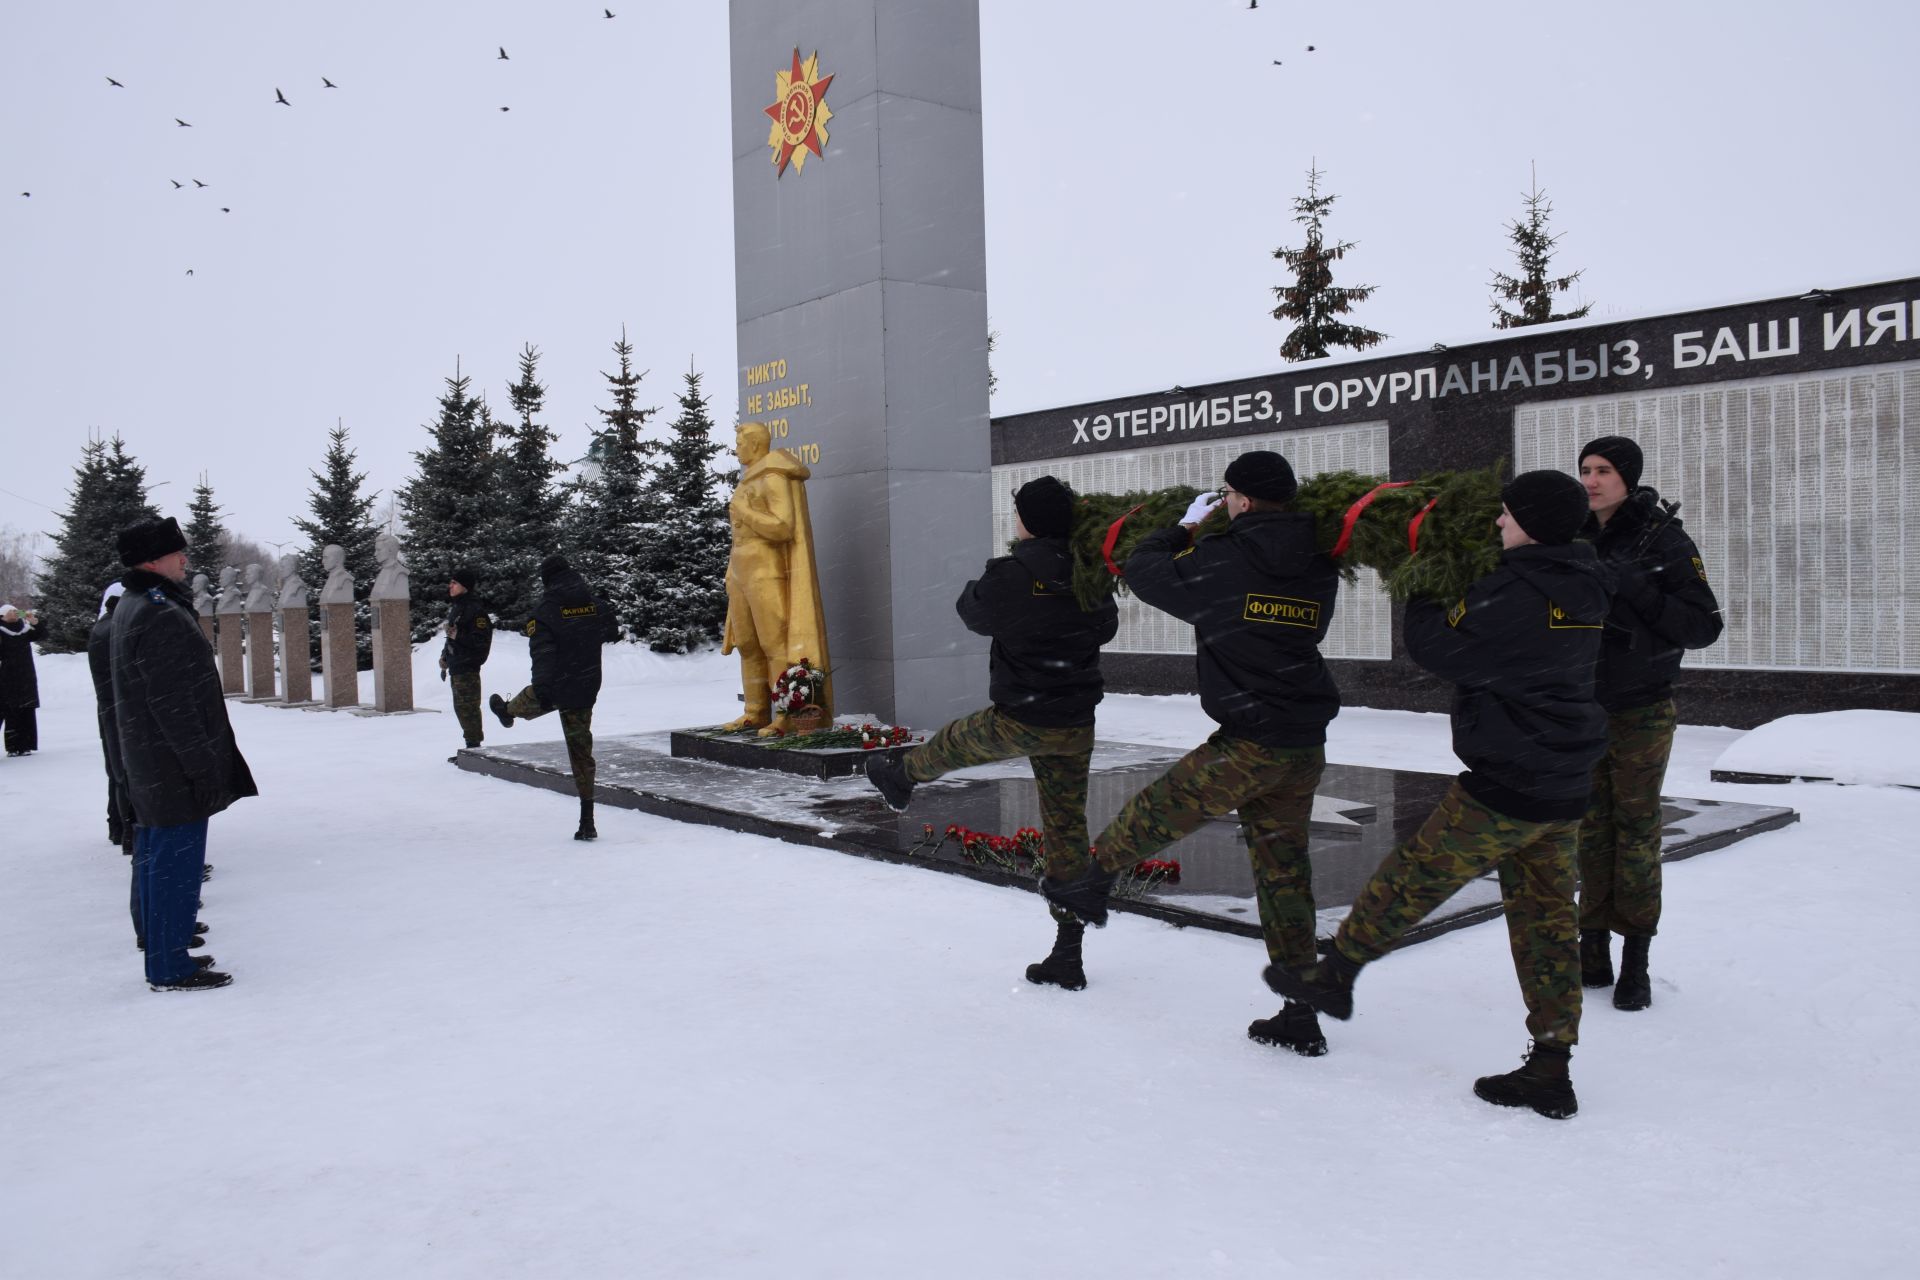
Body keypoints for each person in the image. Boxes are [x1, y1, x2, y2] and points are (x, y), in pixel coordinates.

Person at [1266, 471, 1608, 1119]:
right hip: (1563, 783)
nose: (1499, 524)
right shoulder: (1586, 581)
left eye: (1507, 515)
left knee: (1411, 879)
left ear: (1530, 524)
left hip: (1508, 783)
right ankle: (1551, 1065)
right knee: (1547, 925)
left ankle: (1334, 975)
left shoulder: (1514, 592)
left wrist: (1420, 587)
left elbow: (1440, 649)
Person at [1042, 450, 1344, 1055]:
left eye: (1229, 494)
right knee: (1284, 875)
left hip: (1250, 741)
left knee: (1152, 813)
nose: (1226, 502)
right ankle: (1299, 1011)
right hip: (1302, 741)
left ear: (1243, 500)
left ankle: (1088, 887)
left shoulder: (1223, 559)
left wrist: (1181, 528)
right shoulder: (1319, 562)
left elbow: (1141, 568)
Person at [865, 476, 1119, 990]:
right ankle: (1067, 953)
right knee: (1066, 830)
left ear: (1028, 521)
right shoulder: (1089, 572)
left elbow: (972, 611)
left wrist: (1019, 599)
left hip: (1024, 715)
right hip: (1074, 722)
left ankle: (901, 774)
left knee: (956, 742)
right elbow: (1105, 626)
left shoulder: (1014, 572)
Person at [1574, 436, 1724, 1011]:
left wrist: (1635, 585)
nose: (1591, 480)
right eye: (1585, 470)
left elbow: (1703, 624)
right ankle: (1592, 948)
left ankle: (1635, 956)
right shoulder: (1572, 534)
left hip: (1640, 708)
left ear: (1628, 478)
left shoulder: (1663, 538)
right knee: (1589, 828)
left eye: (1604, 471)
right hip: (1585, 705)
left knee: (1636, 833)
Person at [112, 515, 256, 992]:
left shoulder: (135, 606)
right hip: (171, 764)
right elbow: (174, 703)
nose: (185, 559)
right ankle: (170, 964)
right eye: (177, 553)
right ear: (152, 560)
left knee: (156, 857)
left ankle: (161, 944)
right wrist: (202, 766)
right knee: (175, 863)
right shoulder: (157, 613)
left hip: (150, 760)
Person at [489, 555, 617, 841]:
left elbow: (543, 654)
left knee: (528, 700)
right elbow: (611, 628)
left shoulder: (545, 611)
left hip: (557, 685)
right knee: (581, 751)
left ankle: (508, 712)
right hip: (586, 684)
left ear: (546, 579)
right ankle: (587, 821)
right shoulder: (593, 603)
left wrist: (543, 687)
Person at [718, 420, 829, 734]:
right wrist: (731, 573)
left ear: (754, 444)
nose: (736, 448)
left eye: (740, 443)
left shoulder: (774, 476)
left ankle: (785, 714)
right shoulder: (746, 481)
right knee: (748, 644)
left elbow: (783, 527)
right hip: (741, 571)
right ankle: (755, 711)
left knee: (773, 644)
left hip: (766, 570)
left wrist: (746, 513)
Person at [87, 584, 135, 852]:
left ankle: (118, 827)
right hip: (121, 710)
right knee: (126, 774)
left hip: (112, 709)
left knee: (117, 771)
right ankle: (129, 833)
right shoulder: (115, 629)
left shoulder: (104, 627)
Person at [439, 567, 493, 755]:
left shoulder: (475, 611)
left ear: (465, 587)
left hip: (467, 666)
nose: (450, 586)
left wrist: (457, 635)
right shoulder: (459, 607)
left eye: (455, 583)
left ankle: (474, 749)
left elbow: (480, 641)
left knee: (468, 708)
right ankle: (471, 748)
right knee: (461, 708)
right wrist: (445, 656)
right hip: (457, 664)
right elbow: (452, 636)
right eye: (451, 582)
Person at [1, 602, 48, 756]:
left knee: (27, 710)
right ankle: (13, 747)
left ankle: (26, 744)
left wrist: (33, 621)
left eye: (16, 611)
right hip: (7, 676)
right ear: (3, 615)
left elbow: (41, 635)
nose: (15, 613)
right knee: (11, 712)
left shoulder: (23, 628)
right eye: (11, 612)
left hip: (26, 676)